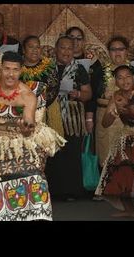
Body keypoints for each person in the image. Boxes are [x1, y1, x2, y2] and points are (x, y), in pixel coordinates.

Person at [0, 51, 66, 221]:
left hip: (20, 141)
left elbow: (28, 127)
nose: (10, 74)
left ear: (21, 71)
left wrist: (25, 129)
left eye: (15, 70)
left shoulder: (27, 96)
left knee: (32, 175)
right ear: (1, 69)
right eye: (7, 69)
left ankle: (32, 216)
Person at [95, 65, 134, 217]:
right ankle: (130, 210)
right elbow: (105, 123)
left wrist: (127, 106)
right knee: (120, 170)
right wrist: (114, 111)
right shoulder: (116, 96)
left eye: (128, 76)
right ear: (116, 82)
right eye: (120, 77)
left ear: (133, 78)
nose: (125, 80)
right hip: (126, 136)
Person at [87, 35, 134, 167]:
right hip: (105, 115)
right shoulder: (99, 72)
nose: (118, 52)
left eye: (121, 49)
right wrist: (89, 119)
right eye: (114, 49)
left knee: (130, 158)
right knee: (107, 159)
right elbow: (91, 98)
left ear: (126, 51)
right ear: (109, 52)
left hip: (131, 120)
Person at [46, 36, 92, 201]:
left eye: (69, 49)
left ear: (74, 51)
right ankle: (52, 191)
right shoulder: (46, 67)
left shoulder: (79, 69)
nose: (66, 52)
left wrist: (78, 94)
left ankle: (71, 191)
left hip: (71, 118)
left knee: (71, 152)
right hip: (49, 115)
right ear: (55, 50)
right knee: (51, 153)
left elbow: (88, 94)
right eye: (62, 48)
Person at [20, 35, 61, 135]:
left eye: (37, 47)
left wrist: (37, 107)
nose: (35, 50)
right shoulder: (16, 67)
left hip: (45, 111)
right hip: (20, 112)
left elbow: (53, 89)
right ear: (24, 50)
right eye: (31, 47)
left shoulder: (49, 67)